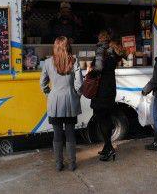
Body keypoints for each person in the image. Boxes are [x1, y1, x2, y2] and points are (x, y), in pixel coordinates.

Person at [40, 36, 83, 171]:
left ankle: (58, 164)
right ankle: (72, 163)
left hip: (55, 102)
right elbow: (79, 84)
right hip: (70, 101)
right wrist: (76, 95)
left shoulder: (47, 62)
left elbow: (43, 83)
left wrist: (49, 94)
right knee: (70, 134)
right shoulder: (74, 61)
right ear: (67, 47)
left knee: (57, 134)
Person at [88, 31, 122, 161]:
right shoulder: (113, 52)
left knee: (101, 118)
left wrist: (90, 73)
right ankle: (107, 148)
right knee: (106, 118)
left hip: (100, 90)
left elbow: (98, 69)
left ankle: (109, 148)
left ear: (100, 39)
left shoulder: (100, 51)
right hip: (110, 89)